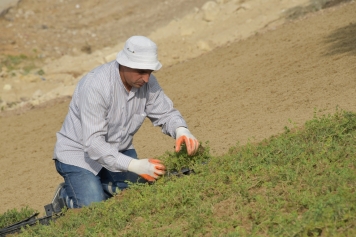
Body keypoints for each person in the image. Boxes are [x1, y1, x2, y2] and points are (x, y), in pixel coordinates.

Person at [50, 36, 199, 211]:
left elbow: (166, 113)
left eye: (150, 72)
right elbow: (94, 145)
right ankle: (65, 196)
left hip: (118, 149)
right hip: (79, 155)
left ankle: (105, 185)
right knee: (94, 208)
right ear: (124, 63)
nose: (146, 79)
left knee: (140, 192)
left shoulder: (148, 83)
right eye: (141, 72)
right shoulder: (96, 86)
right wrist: (135, 165)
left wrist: (181, 131)